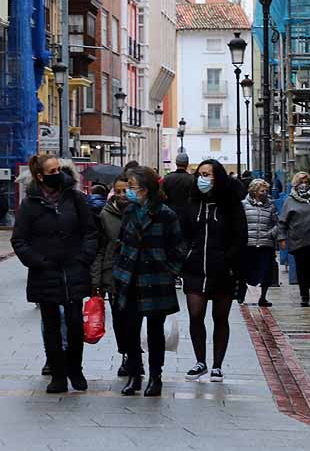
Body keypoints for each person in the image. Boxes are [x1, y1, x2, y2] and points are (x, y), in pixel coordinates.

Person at [11, 154, 98, 393]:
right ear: (40, 176)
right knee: (50, 326)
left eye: (59, 169)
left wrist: (83, 258)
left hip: (73, 270)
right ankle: (58, 375)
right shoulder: (30, 205)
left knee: (74, 323)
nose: (57, 174)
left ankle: (75, 369)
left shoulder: (76, 198)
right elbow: (19, 240)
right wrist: (38, 262)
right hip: (45, 273)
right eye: (52, 171)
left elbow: (90, 232)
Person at [113, 166, 188, 396]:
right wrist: (119, 268)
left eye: (132, 188)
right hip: (130, 277)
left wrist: (169, 270)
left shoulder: (165, 214)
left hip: (155, 278)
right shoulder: (129, 211)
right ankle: (135, 374)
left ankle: (156, 376)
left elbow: (179, 247)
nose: (128, 193)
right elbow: (121, 242)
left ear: (145, 190)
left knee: (155, 331)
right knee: (130, 329)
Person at [181, 159, 247, 382]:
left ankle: (217, 365)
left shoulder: (231, 205)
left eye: (208, 174)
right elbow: (182, 233)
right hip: (195, 268)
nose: (203, 178)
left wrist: (230, 262)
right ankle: (200, 361)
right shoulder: (191, 204)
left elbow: (240, 237)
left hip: (222, 270)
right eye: (200, 174)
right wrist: (185, 257)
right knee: (195, 315)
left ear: (217, 177)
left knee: (220, 317)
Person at [91, 175, 133, 377]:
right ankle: (125, 354)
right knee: (119, 318)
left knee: (134, 318)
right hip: (113, 274)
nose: (122, 195)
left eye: (126, 190)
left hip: (136, 273)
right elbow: (100, 248)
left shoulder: (140, 212)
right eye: (118, 191)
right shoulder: (105, 215)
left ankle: (136, 356)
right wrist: (96, 280)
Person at [277, 171, 310, 307]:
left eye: (306, 182)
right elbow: (282, 222)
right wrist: (282, 238)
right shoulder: (290, 200)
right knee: (301, 267)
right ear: (295, 184)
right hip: (297, 239)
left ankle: (308, 283)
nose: (304, 184)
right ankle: (304, 295)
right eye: (301, 182)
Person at [242, 178, 279, 307]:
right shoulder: (244, 205)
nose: (265, 193)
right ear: (254, 191)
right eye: (262, 190)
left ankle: (262, 297)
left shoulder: (271, 205)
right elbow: (239, 223)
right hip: (249, 244)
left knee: (265, 272)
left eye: (266, 191)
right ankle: (246, 296)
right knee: (248, 271)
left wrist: (270, 234)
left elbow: (276, 223)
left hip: (265, 244)